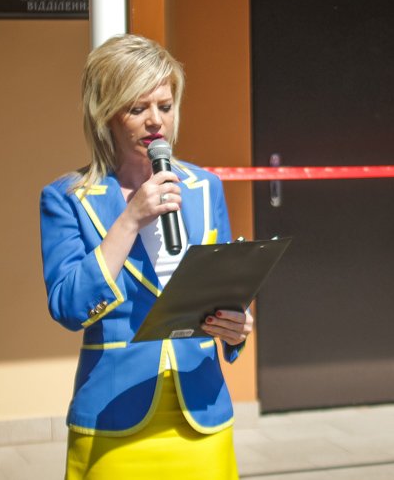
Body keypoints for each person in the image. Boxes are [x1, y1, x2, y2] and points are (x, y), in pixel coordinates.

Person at [40, 34, 252, 479]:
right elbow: (69, 307)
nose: (156, 120)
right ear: (106, 114)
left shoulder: (205, 187)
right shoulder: (67, 199)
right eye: (138, 108)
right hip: (113, 419)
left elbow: (223, 292)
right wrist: (130, 218)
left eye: (165, 106)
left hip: (202, 413)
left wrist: (236, 327)